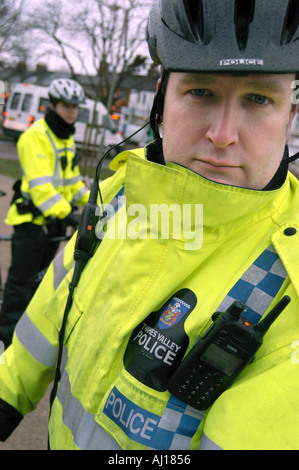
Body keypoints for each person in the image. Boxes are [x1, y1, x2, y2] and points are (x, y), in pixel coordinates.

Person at [0, 0, 299, 451]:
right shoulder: (121, 192)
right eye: (201, 92)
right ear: (161, 103)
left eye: (259, 98)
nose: (223, 134)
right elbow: (49, 314)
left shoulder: (290, 290)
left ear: (289, 118)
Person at [0, 78, 90, 349]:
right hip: (32, 224)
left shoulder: (65, 137)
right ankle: (6, 344)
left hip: (53, 224)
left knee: (40, 285)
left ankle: (25, 338)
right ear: (52, 105)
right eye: (66, 106)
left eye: (75, 107)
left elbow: (71, 180)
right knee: (20, 285)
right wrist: (70, 215)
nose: (71, 111)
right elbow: (41, 187)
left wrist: (95, 203)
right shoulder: (35, 136)